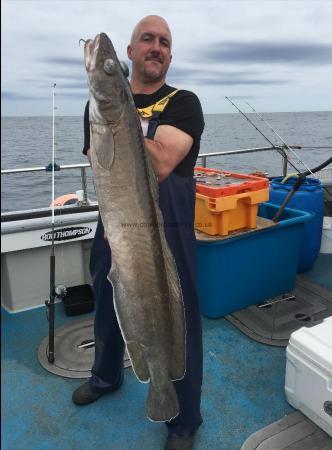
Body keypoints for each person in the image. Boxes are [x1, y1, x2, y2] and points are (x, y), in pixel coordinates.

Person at [73, 15, 204, 450]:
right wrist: (111, 105)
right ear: (129, 53)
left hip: (167, 226)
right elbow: (99, 161)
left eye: (164, 42)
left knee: (176, 311)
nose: (156, 47)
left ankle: (182, 418)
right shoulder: (98, 108)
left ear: (169, 54)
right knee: (107, 300)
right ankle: (105, 376)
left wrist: (119, 113)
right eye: (147, 39)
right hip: (115, 218)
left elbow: (163, 163)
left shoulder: (184, 102)